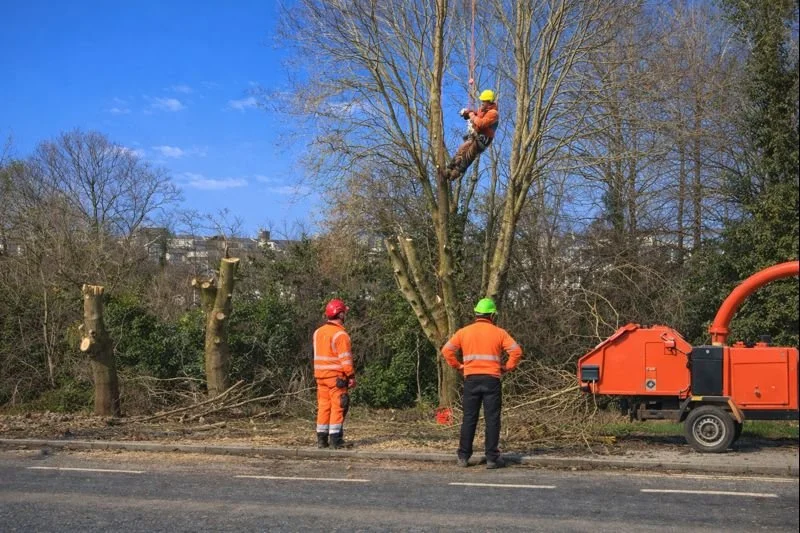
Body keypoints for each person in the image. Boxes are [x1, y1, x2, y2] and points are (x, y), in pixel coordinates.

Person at [441, 298, 522, 469]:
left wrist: (460, 367)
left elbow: (446, 350)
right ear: (492, 315)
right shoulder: (499, 333)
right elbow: (516, 351)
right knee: (492, 419)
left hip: (471, 379)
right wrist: (506, 367)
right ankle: (492, 458)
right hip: (492, 380)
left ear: (476, 313)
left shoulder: (464, 332)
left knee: (469, 418)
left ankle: (463, 456)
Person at [313, 298, 356, 449]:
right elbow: (345, 359)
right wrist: (350, 376)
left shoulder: (318, 332)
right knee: (339, 406)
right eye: (344, 313)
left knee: (324, 406)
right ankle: (336, 440)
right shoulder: (341, 335)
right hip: (336, 377)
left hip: (320, 377)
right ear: (341, 314)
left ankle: (321, 439)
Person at [439, 89, 499, 182]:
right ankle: (450, 168)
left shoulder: (493, 113)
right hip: (476, 136)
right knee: (462, 148)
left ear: (489, 102)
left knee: (469, 154)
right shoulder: (482, 110)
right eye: (482, 100)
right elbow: (476, 115)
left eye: (484, 101)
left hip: (484, 139)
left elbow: (481, 123)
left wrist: (471, 115)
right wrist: (468, 113)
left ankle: (456, 173)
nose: (482, 102)